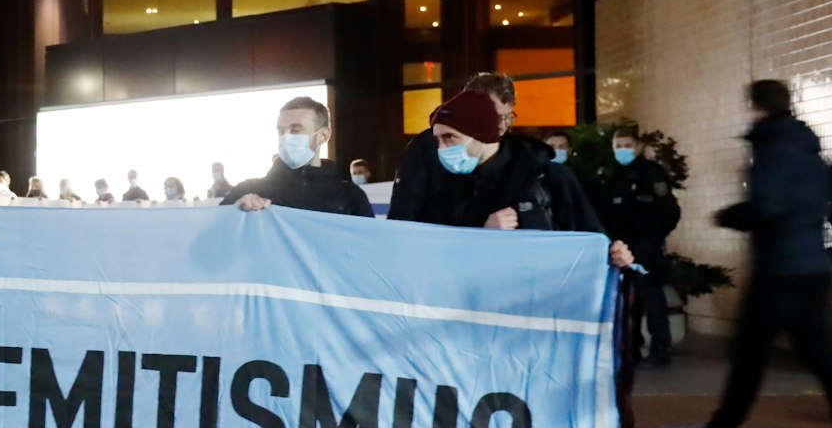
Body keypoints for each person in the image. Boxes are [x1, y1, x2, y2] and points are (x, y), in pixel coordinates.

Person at [658, 81, 832, 428]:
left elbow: (767, 206)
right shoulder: (808, 149)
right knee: (815, 354)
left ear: (757, 106)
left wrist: (727, 215)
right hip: (809, 265)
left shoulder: (774, 148)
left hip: (780, 269)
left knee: (751, 354)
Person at [415, 90, 633, 268]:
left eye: (449, 138)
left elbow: (593, 238)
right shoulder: (444, 186)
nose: (442, 149)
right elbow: (433, 257)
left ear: (482, 133)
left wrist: (615, 254)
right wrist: (482, 234)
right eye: (438, 140)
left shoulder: (549, 178)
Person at [390, 72, 547, 224]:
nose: (501, 126)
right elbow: (404, 213)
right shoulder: (425, 148)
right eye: (493, 116)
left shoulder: (520, 155)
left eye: (507, 118)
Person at [598, 124, 682, 368]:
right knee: (625, 300)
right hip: (620, 248)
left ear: (638, 147)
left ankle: (660, 348)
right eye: (618, 146)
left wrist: (654, 237)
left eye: (627, 146)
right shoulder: (611, 176)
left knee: (652, 298)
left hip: (647, 247)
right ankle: (630, 347)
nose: (623, 150)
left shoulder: (652, 174)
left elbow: (670, 211)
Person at [221, 97, 373, 218]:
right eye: (281, 131)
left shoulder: (350, 197)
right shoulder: (248, 190)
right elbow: (210, 235)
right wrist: (234, 213)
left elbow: (367, 249)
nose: (286, 137)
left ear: (323, 135)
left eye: (295, 130)